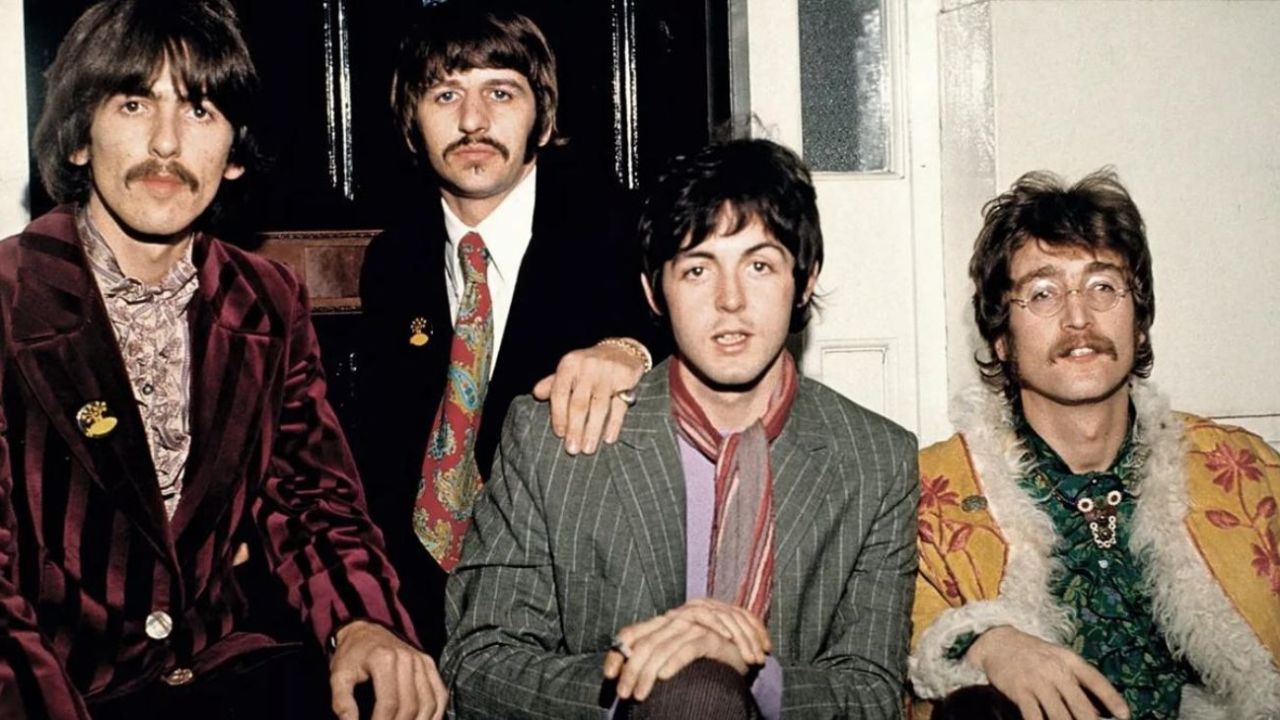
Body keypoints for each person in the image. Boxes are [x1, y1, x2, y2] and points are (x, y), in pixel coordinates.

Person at [1, 1, 445, 718]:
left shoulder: (267, 300)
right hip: (55, 685)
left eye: (201, 110)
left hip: (217, 669)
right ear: (80, 136)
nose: (167, 143)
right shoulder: (9, 297)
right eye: (135, 103)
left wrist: (364, 623)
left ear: (235, 153)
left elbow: (310, 500)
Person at [442, 138, 918, 719]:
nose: (730, 300)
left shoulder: (875, 459)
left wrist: (754, 675)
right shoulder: (552, 436)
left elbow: (872, 691)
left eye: (760, 266)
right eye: (697, 269)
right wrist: (647, 673)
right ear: (654, 292)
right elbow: (480, 665)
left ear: (806, 279)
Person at [909, 170, 1280, 719]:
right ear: (1002, 339)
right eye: (1042, 293)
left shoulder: (1247, 473)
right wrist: (989, 641)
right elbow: (895, 644)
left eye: (1103, 287)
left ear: (1140, 322)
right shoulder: (930, 500)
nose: (1079, 318)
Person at [356, 3, 662, 654]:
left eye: (500, 92)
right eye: (445, 95)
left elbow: (702, 329)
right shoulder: (393, 260)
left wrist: (630, 349)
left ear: (542, 117)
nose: (472, 121)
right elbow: (384, 455)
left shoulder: (620, 233)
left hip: (579, 617)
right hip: (420, 612)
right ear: (411, 122)